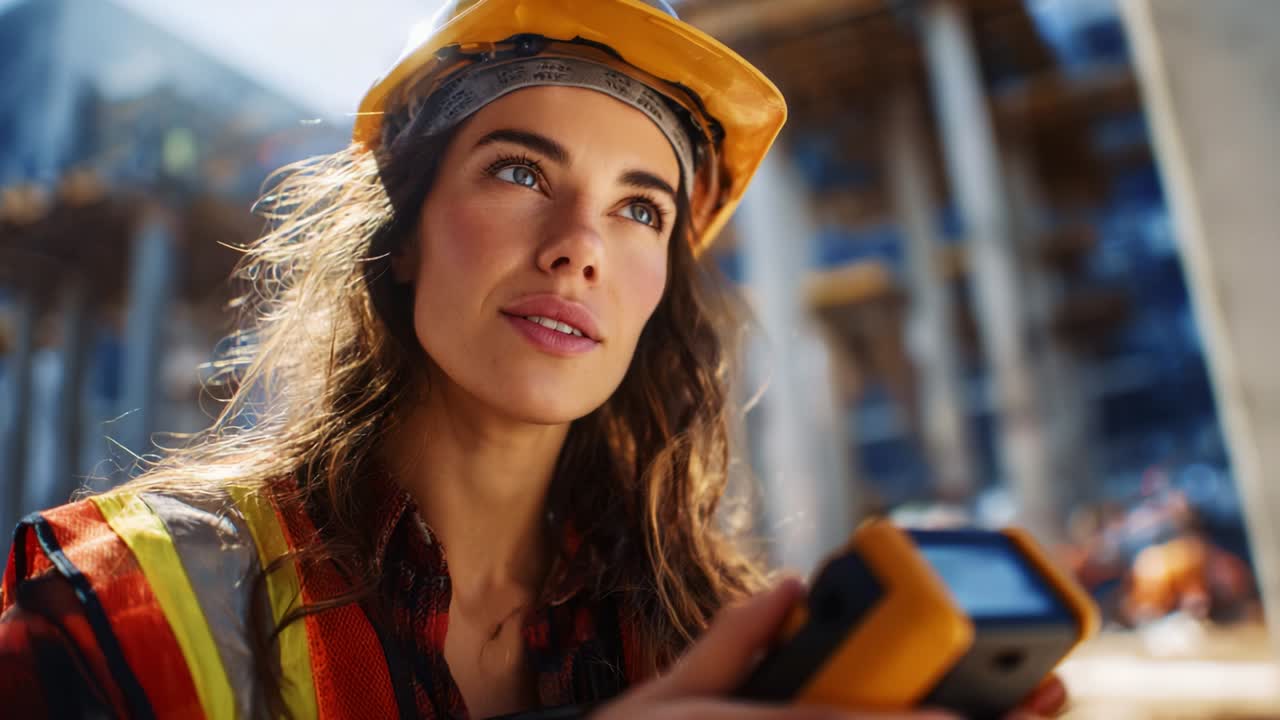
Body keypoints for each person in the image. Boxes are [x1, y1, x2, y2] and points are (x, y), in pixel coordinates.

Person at [0, 0, 1067, 717]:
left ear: (662, 286)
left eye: (639, 208)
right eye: (519, 172)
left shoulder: (720, 637)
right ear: (405, 234)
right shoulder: (119, 596)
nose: (578, 246)